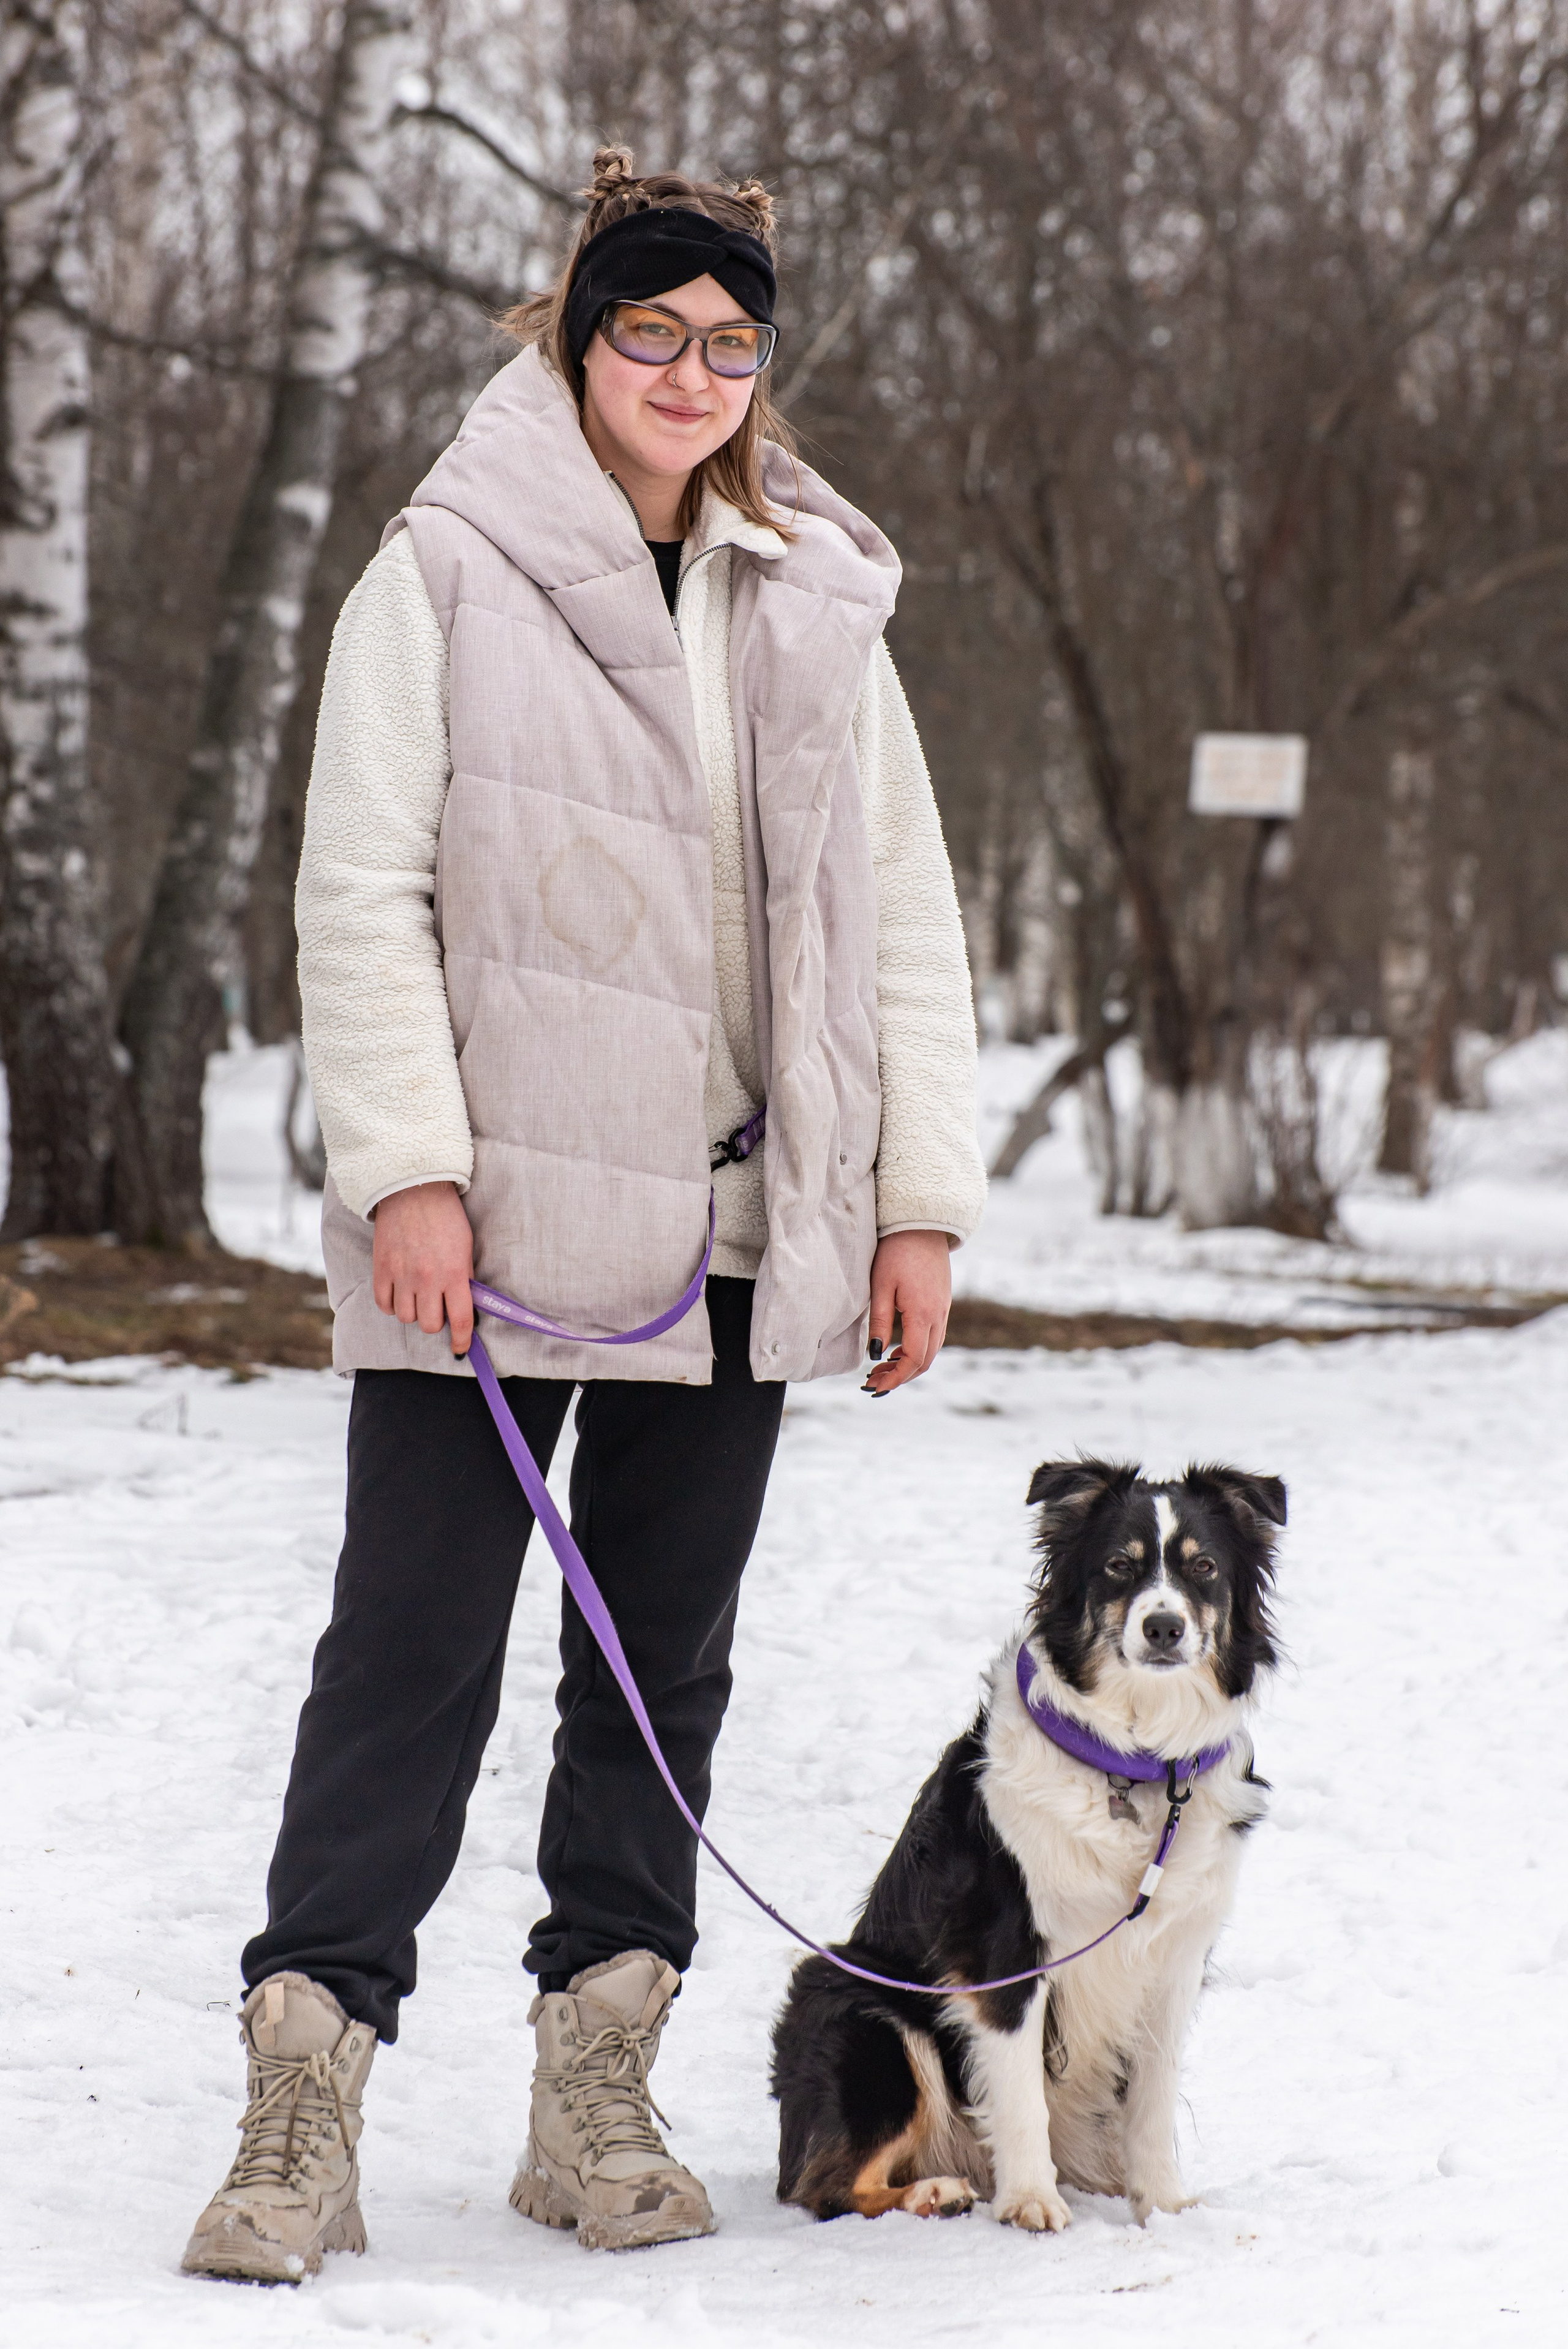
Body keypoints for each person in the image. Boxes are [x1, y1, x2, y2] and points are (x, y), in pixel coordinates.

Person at [183, 147, 986, 2282]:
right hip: (495, 1229)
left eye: (734, 342)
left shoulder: (812, 590)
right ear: (575, 334)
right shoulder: (435, 573)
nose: (695, 374)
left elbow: (899, 913)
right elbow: (356, 891)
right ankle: (302, 2085)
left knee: (661, 1675)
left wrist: (915, 1202)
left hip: (741, 1228)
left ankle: (597, 2075)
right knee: (412, 1654)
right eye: (654, 332)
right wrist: (410, 1176)